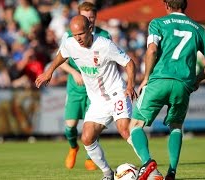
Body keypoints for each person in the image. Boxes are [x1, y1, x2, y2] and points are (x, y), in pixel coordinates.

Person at [35, 15, 137, 180]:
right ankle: (107, 173)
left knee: (124, 129)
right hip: (98, 101)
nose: (78, 38)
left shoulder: (105, 45)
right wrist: (49, 71)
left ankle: (148, 165)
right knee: (87, 138)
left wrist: (131, 85)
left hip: (116, 93)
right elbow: (62, 54)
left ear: (90, 29)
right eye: (75, 35)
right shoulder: (70, 43)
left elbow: (129, 63)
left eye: (81, 34)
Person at [128, 0, 205, 180]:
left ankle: (148, 163)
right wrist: (196, 80)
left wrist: (146, 77)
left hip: (159, 80)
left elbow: (152, 50)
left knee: (136, 125)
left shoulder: (158, 23)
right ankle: (172, 172)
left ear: (166, 5)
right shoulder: (198, 28)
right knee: (176, 127)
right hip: (182, 84)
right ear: (184, 6)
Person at [58, 1, 112, 171]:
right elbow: (60, 61)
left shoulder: (104, 35)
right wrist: (75, 73)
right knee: (70, 127)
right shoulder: (69, 35)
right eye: (85, 16)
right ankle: (73, 147)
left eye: (91, 17)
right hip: (76, 86)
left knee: (93, 124)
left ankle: (91, 158)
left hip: (95, 88)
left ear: (95, 18)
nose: (89, 19)